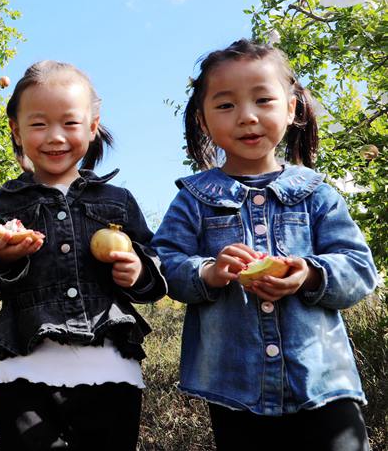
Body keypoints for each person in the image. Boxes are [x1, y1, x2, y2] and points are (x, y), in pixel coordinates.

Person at [151, 39, 379, 451]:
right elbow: (163, 265)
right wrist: (209, 272)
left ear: (291, 109)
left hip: (323, 382)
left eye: (263, 100)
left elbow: (360, 269)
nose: (247, 117)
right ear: (203, 121)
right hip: (236, 390)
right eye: (226, 105)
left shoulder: (316, 193)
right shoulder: (194, 199)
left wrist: (309, 274)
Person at [0, 60, 167, 450]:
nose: (55, 136)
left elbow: (155, 273)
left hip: (110, 372)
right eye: (38, 124)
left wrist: (138, 271)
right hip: (23, 371)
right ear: (16, 131)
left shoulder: (117, 202)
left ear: (92, 127)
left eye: (70, 123)